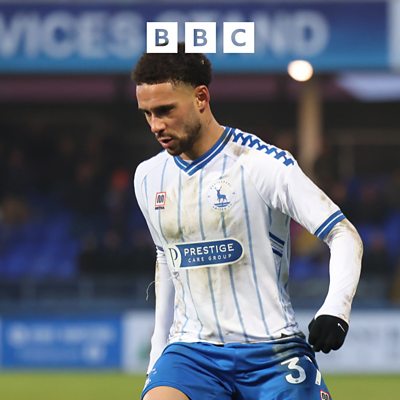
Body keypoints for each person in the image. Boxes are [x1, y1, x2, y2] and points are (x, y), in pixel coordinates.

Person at [132, 43, 363, 400]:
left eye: (165, 110)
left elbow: (343, 233)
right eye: (147, 113)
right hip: (192, 353)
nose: (155, 125)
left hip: (273, 352)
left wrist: (336, 309)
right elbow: (167, 259)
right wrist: (157, 354)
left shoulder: (262, 165)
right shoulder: (148, 177)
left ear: (201, 98)